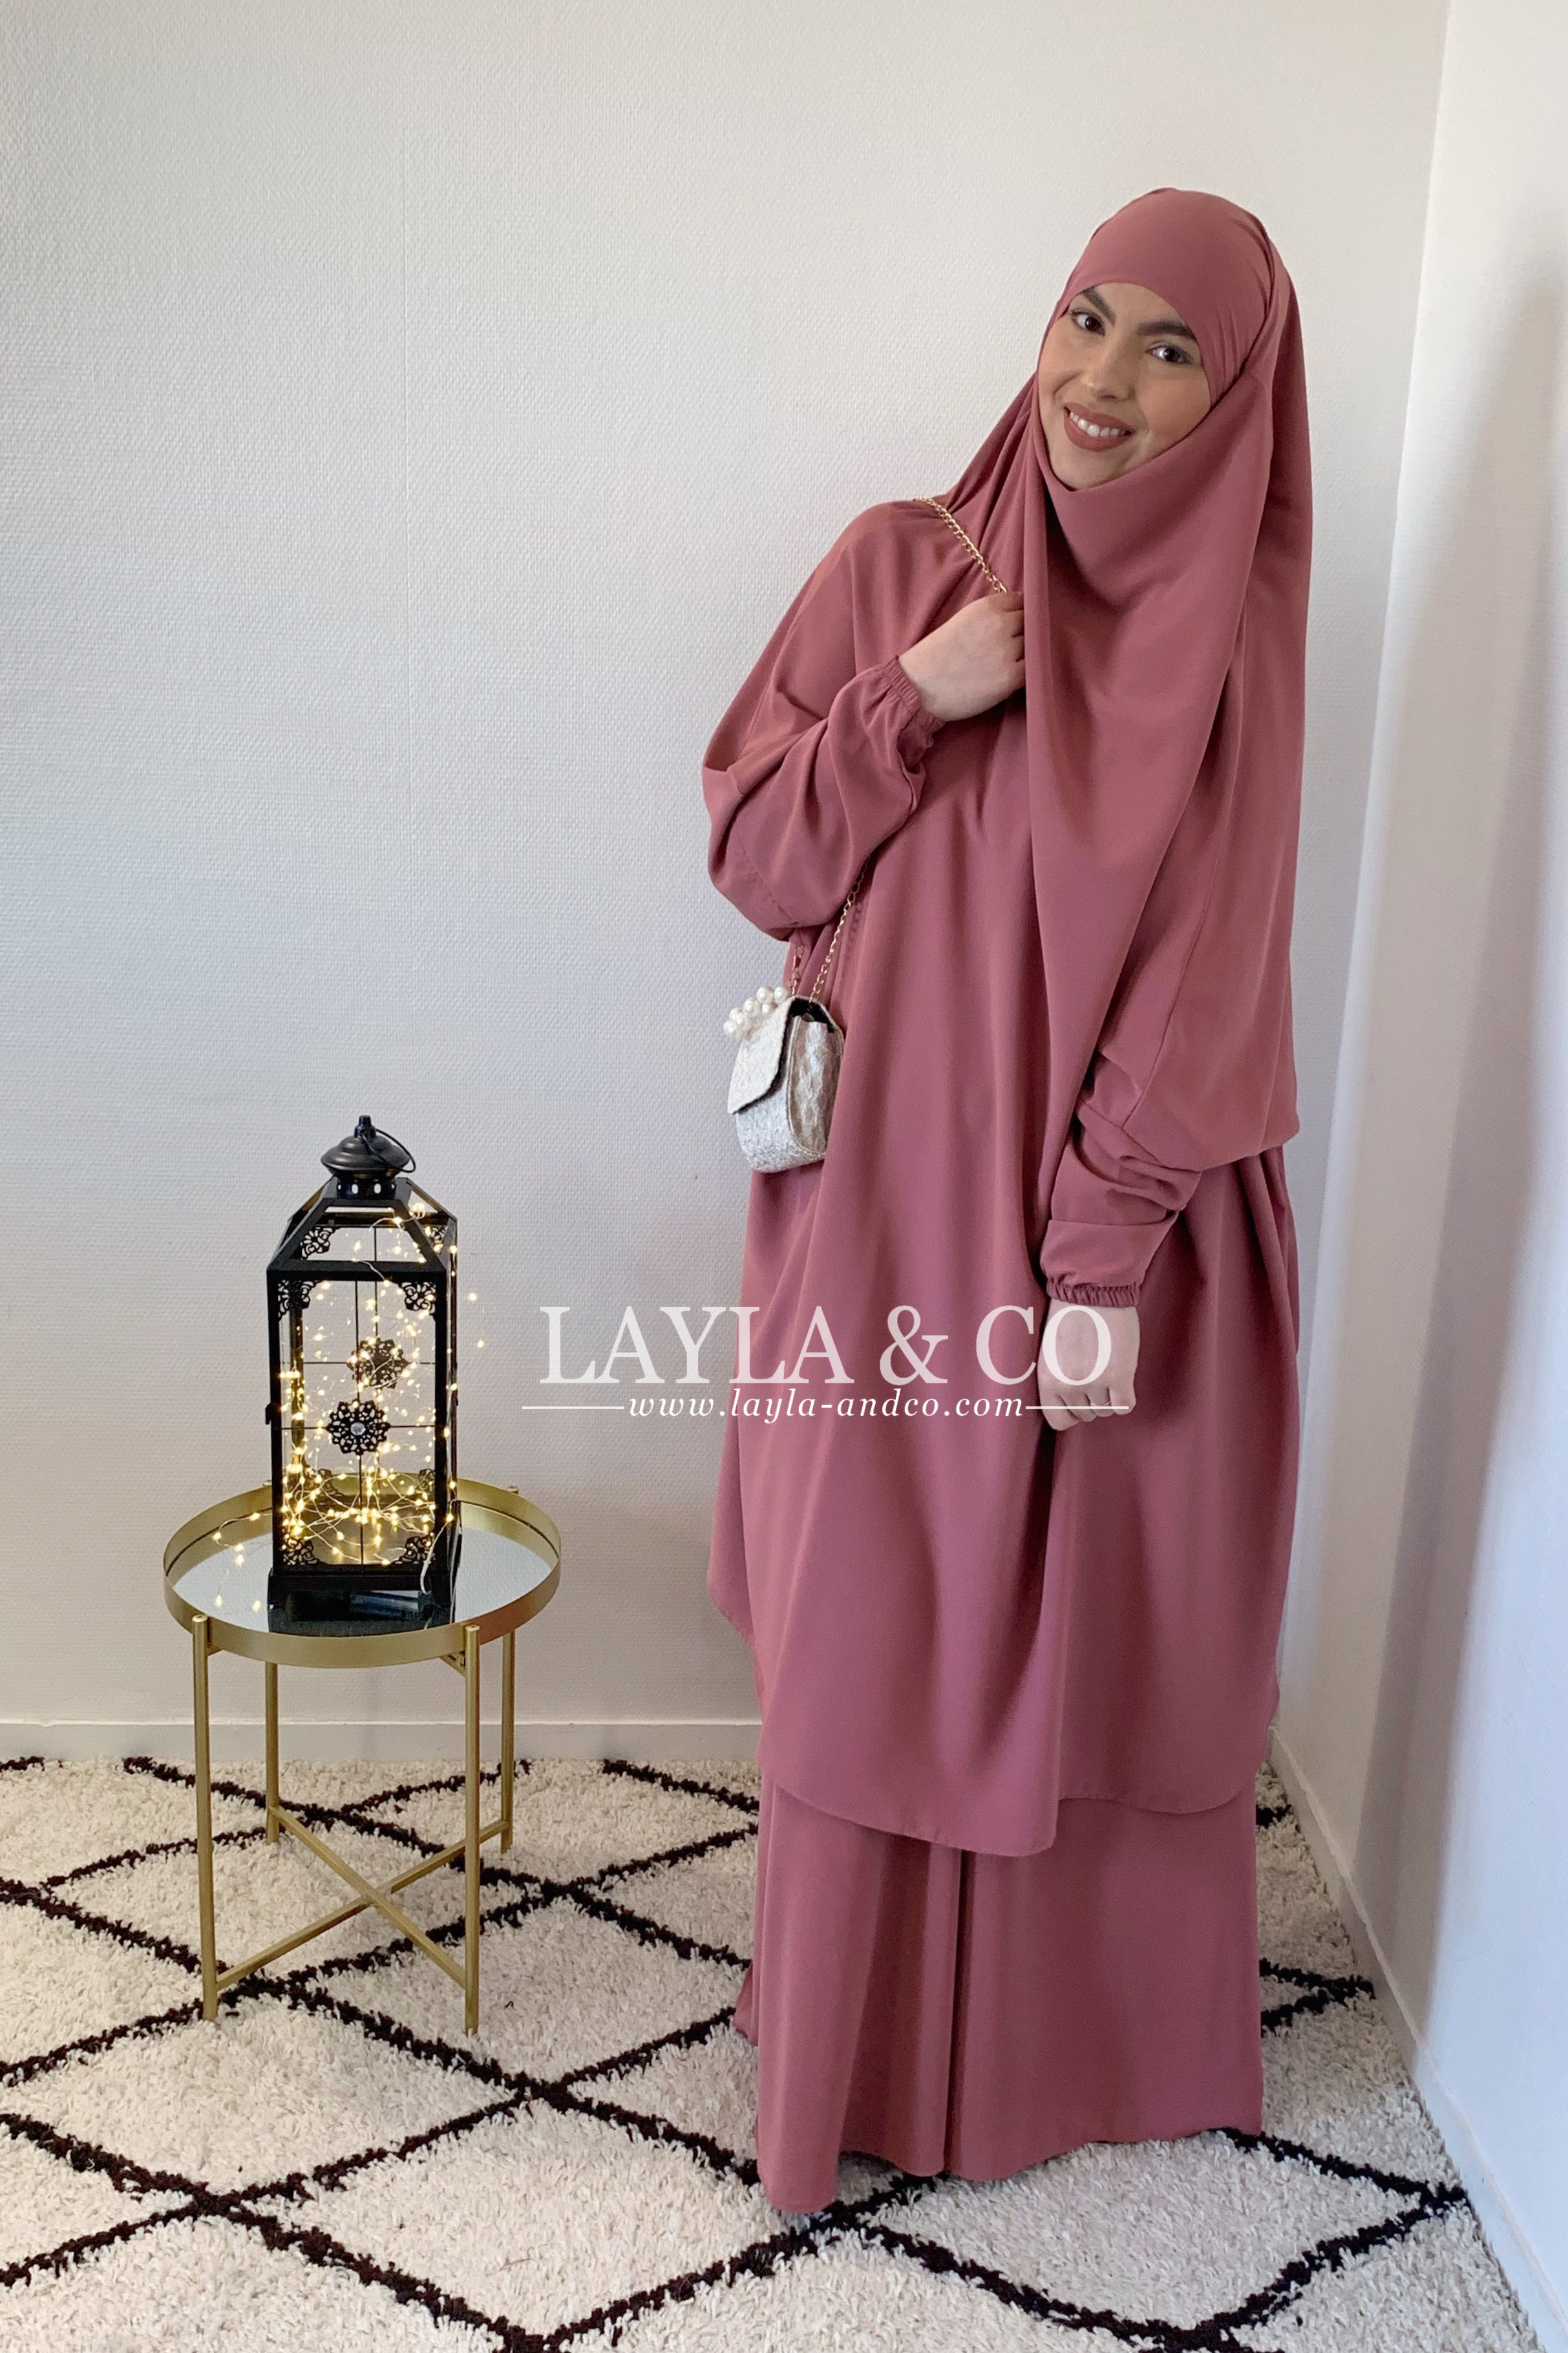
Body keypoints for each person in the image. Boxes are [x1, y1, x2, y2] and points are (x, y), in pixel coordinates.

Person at [700, 187, 1309, 2215]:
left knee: (1085, 1633)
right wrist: (919, 695)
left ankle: (1065, 2062)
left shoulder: (1228, 644)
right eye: (1084, 318)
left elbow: (1209, 972)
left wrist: (1094, 1262)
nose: (1102, 381)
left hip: (1114, 1238)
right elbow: (758, 858)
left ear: (1236, 402)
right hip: (879, 1222)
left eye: (1170, 350)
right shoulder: (905, 567)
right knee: (874, 1617)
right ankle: (853, 2050)